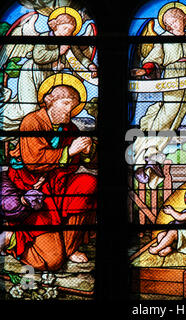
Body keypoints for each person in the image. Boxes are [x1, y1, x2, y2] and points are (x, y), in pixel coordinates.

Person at [1, 74, 97, 271]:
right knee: (52, 261)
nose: (70, 110)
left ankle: (69, 248)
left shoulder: (68, 128)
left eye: (74, 105)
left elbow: (78, 162)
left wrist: (88, 152)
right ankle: (11, 238)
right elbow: (33, 162)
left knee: (88, 183)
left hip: (57, 187)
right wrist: (70, 151)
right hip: (32, 192)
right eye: (66, 103)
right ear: (49, 100)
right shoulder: (32, 122)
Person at [131, 3, 186, 189]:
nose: (175, 21)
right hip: (173, 77)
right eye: (171, 19)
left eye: (178, 17)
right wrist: (145, 70)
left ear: (185, 20)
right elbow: (154, 59)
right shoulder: (163, 39)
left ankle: (152, 158)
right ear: (166, 24)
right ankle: (144, 158)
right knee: (167, 115)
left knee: (175, 119)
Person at [0, 7, 98, 132]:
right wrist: (59, 51)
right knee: (30, 110)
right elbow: (38, 56)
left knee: (48, 111)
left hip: (50, 78)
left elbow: (80, 57)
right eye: (66, 29)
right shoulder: (44, 38)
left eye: (72, 31)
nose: (69, 33)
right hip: (32, 73)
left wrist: (90, 66)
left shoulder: (70, 42)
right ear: (56, 26)